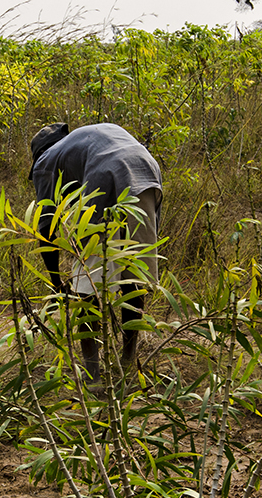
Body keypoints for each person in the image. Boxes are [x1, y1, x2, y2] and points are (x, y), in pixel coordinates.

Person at [28, 122, 162, 378]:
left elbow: (46, 228)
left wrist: (57, 286)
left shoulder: (45, 161)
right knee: (132, 273)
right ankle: (128, 365)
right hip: (146, 169)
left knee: (87, 283)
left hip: (106, 171)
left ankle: (93, 376)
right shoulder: (84, 140)